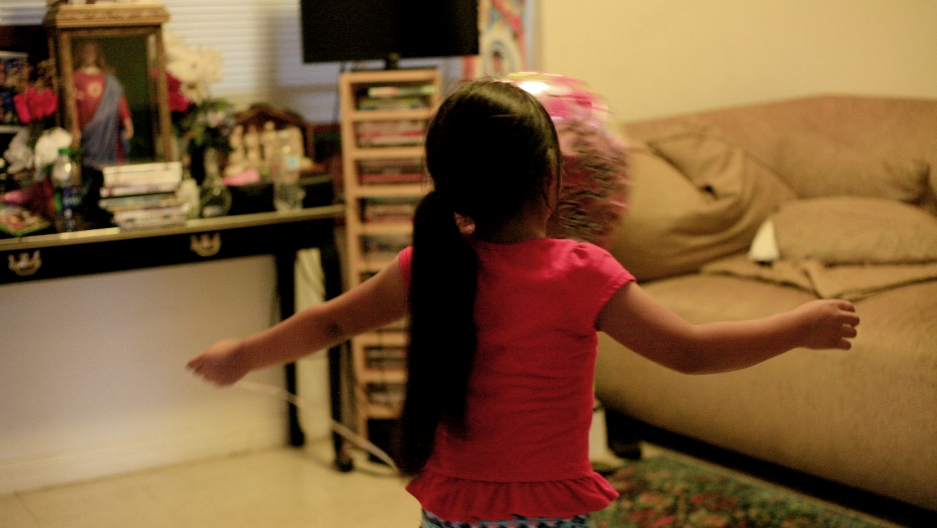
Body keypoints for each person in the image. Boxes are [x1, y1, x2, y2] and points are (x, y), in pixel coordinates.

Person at [186, 80, 860, 527]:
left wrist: (243, 354)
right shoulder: (581, 271)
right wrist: (798, 325)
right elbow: (687, 352)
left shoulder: (429, 264)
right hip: (547, 509)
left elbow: (329, 319)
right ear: (550, 181)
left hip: (454, 506)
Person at [73, 40, 133, 166]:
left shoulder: (108, 79)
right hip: (89, 131)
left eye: (93, 51)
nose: (89, 55)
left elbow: (119, 101)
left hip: (108, 131)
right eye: (86, 51)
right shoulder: (76, 77)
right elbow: (73, 106)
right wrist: (75, 128)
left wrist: (127, 121)